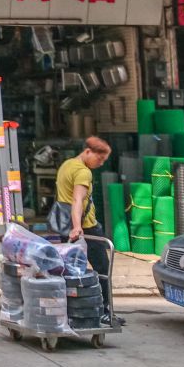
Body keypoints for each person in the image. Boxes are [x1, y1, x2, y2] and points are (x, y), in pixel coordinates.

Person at [56, 136, 120, 324]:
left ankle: (73, 310)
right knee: (102, 269)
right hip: (85, 228)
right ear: (88, 152)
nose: (100, 164)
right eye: (99, 159)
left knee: (70, 271)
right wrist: (78, 227)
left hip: (65, 226)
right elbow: (77, 200)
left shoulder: (66, 165)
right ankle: (105, 310)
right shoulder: (83, 173)